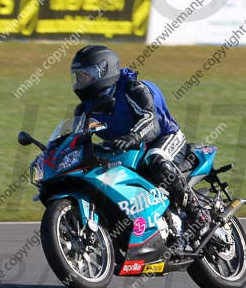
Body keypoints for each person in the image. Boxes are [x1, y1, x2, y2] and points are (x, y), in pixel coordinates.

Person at [70, 45, 211, 240]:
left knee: (156, 160)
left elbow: (150, 119)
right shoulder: (84, 110)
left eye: (85, 75)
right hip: (127, 148)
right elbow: (77, 140)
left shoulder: (132, 89)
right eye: (78, 76)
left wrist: (133, 136)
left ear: (103, 71)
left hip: (163, 137)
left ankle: (198, 214)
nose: (80, 81)